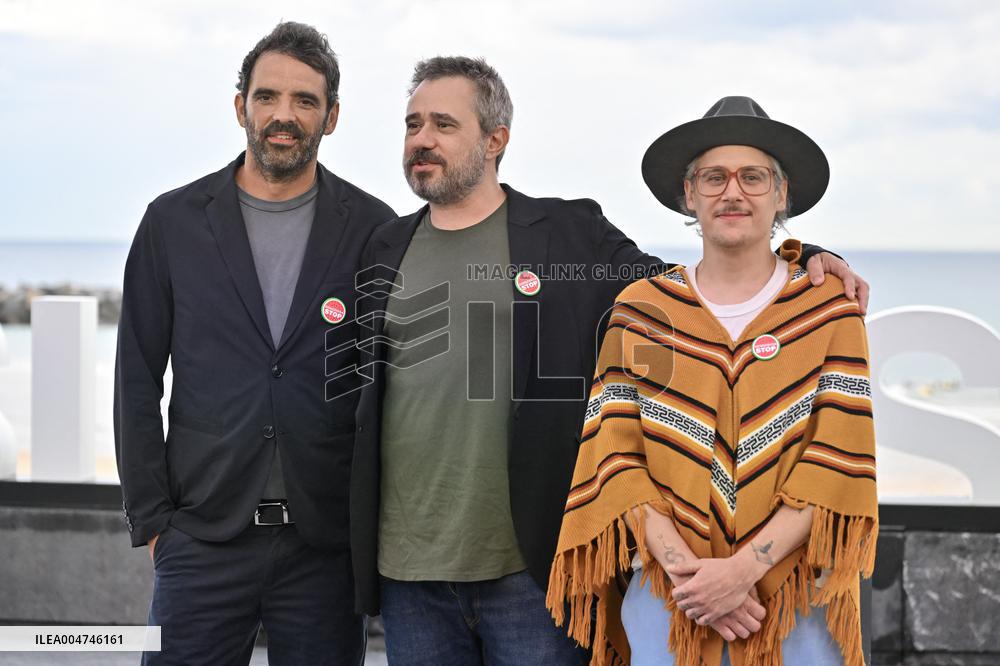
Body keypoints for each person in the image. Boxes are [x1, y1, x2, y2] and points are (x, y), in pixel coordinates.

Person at [349, 59, 869, 664]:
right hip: (410, 569)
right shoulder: (385, 246)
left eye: (443, 123)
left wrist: (809, 258)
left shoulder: (571, 235)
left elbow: (703, 286)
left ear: (495, 140)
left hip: (528, 566)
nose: (423, 139)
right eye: (413, 125)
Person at [547, 96, 878, 666]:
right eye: (713, 177)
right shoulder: (644, 312)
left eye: (753, 177)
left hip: (797, 603)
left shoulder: (827, 312)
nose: (733, 192)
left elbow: (835, 460)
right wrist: (696, 581)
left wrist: (743, 572)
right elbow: (616, 459)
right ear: (689, 194)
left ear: (781, 196)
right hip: (671, 598)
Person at [114, 21, 394, 665]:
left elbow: (392, 385)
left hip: (324, 549)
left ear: (332, 118)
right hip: (201, 538)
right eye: (267, 96)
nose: (283, 116)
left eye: (305, 101)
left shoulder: (374, 229)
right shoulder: (173, 221)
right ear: (241, 105)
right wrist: (154, 520)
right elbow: (135, 376)